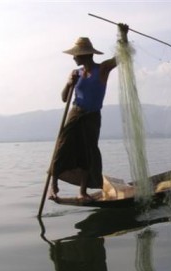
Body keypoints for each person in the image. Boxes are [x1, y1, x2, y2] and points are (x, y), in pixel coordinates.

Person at [49, 23, 129, 200]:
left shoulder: (102, 69)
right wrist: (69, 83)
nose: (73, 58)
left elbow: (120, 58)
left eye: (75, 55)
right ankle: (53, 186)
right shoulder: (75, 73)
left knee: (88, 152)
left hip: (92, 116)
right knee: (62, 147)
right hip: (75, 113)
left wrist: (123, 36)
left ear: (84, 55)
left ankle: (82, 192)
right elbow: (64, 98)